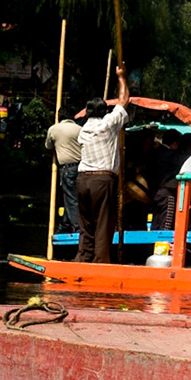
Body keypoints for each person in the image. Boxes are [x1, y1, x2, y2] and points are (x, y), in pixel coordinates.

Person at [74, 67, 131, 263]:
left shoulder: (83, 129)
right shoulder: (108, 123)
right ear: (105, 111)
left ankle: (83, 256)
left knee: (86, 223)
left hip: (82, 180)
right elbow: (124, 100)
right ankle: (100, 261)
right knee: (103, 223)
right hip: (101, 179)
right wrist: (122, 77)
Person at [45, 112, 83, 233]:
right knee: (72, 197)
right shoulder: (80, 129)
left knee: (71, 198)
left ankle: (77, 229)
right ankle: (64, 225)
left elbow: (48, 146)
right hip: (82, 168)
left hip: (68, 168)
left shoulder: (54, 129)